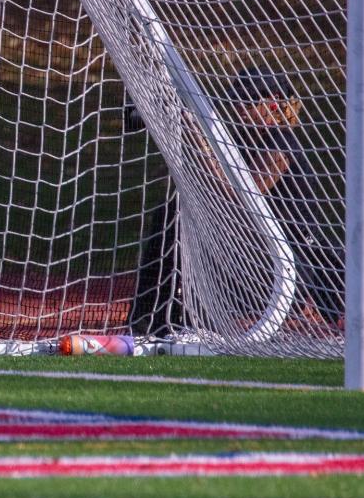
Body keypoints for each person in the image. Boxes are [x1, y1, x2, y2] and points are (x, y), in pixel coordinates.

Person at [126, 68, 344, 338]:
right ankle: (155, 320)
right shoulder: (244, 142)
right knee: (173, 213)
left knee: (178, 218)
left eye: (249, 100)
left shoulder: (282, 143)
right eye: (237, 99)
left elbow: (238, 199)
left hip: (286, 271)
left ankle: (157, 321)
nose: (240, 107)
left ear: (274, 101)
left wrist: (199, 141)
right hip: (250, 257)